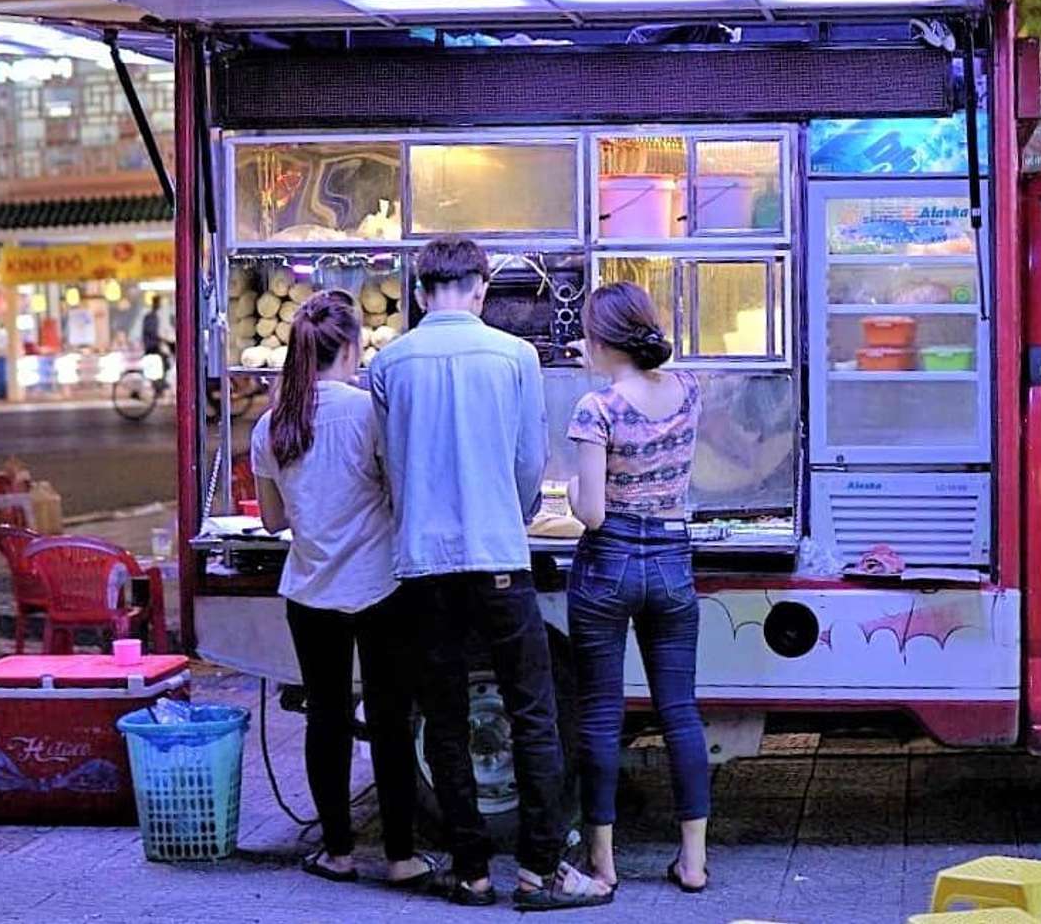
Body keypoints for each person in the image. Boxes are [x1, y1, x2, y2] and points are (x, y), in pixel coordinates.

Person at [369, 237, 612, 910]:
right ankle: (541, 869)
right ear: (479, 289)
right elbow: (531, 462)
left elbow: (392, 466)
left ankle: (470, 871)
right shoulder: (515, 356)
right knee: (533, 711)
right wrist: (514, 507)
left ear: (420, 293)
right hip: (501, 557)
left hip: (422, 564)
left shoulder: (388, 364)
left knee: (445, 715)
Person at [252, 290, 436, 889]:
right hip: (381, 585)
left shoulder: (273, 425)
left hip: (310, 589)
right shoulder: (368, 414)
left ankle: (337, 851)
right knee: (389, 717)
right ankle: (402, 856)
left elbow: (273, 521)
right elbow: (401, 491)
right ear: (353, 346)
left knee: (325, 718)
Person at [565, 282, 710, 895]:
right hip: (673, 561)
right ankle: (694, 863)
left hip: (609, 563)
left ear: (601, 340)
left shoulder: (596, 408)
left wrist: (571, 490)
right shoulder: (689, 390)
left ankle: (603, 862)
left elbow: (591, 512)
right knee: (680, 711)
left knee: (600, 712)